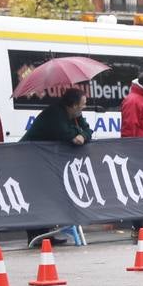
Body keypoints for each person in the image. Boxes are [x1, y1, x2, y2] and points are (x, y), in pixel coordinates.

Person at [21, 87, 93, 245]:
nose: (84, 107)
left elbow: (87, 131)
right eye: (83, 104)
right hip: (30, 158)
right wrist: (78, 134)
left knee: (49, 195)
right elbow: (67, 135)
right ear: (73, 104)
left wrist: (82, 135)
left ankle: (46, 235)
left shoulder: (75, 114)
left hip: (45, 160)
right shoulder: (55, 114)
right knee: (37, 196)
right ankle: (35, 236)